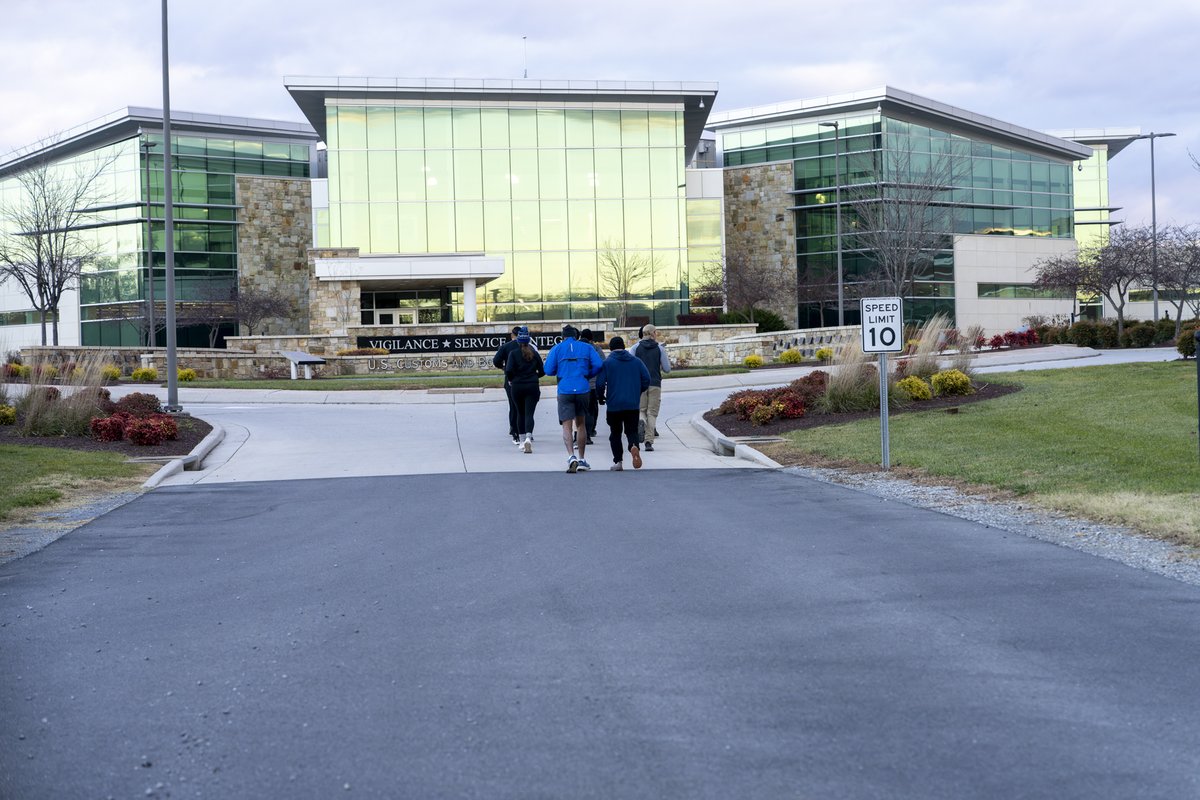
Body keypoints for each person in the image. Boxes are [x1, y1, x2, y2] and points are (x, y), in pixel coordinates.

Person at [543, 324, 604, 473]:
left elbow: (548, 370)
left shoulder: (557, 349)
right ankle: (582, 458)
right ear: (576, 336)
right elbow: (599, 364)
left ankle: (571, 456)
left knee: (566, 426)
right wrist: (588, 374)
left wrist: (561, 370)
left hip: (565, 388)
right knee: (581, 424)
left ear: (562, 336)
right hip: (583, 387)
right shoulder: (587, 347)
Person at [595, 336, 650, 470]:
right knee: (631, 431)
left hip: (614, 405)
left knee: (615, 433)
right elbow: (646, 379)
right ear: (624, 346)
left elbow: (600, 383)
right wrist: (638, 391)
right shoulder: (636, 362)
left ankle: (618, 461)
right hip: (632, 403)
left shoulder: (607, 363)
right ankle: (633, 446)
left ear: (611, 348)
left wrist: (601, 397)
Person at [630, 323, 671, 451]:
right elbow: (667, 369)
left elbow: (630, 366)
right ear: (653, 333)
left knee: (641, 410)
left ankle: (641, 421)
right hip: (655, 383)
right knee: (652, 413)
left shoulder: (635, 348)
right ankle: (649, 441)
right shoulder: (659, 349)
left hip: (640, 384)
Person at [504, 327, 544, 453]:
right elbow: (542, 371)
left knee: (520, 413)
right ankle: (528, 437)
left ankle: (521, 441)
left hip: (517, 386)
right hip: (532, 386)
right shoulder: (534, 353)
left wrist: (511, 379)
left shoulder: (513, 354)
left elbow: (509, 370)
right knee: (529, 414)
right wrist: (534, 377)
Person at [492, 326, 525, 444]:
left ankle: (514, 430)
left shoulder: (506, 347)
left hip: (511, 379)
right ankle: (526, 431)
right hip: (526, 379)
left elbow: (496, 360)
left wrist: (504, 368)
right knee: (525, 407)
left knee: (513, 405)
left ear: (512, 335)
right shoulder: (528, 346)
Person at [579, 328, 605, 444]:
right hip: (593, 384)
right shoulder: (596, 349)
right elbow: (602, 363)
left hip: (580, 384)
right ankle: (591, 430)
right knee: (592, 409)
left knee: (581, 410)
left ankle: (581, 432)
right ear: (591, 338)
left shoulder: (577, 348)